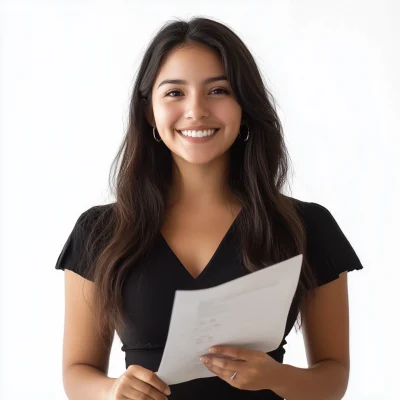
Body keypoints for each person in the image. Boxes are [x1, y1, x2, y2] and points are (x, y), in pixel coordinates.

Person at [55, 16, 364, 400]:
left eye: (218, 91)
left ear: (245, 107)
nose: (196, 110)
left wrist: (276, 376)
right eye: (174, 93)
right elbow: (77, 372)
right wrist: (111, 391)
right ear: (150, 111)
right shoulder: (99, 231)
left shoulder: (306, 226)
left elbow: (333, 376)